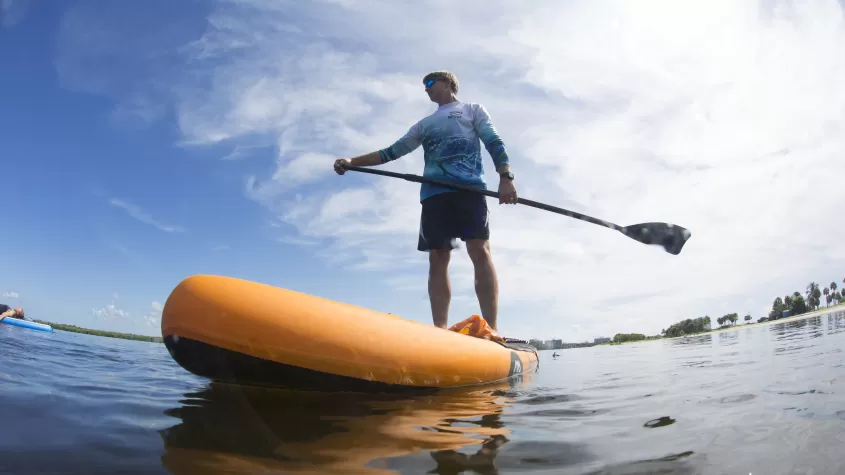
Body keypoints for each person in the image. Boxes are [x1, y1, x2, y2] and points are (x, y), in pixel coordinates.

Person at [333, 71, 517, 332]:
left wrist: (506, 177)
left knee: (479, 251)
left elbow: (493, 142)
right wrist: (353, 162)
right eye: (424, 86)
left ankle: (493, 329)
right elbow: (391, 152)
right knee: (438, 257)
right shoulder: (424, 125)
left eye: (430, 83)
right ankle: (439, 329)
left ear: (448, 84)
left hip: (470, 191)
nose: (426, 89)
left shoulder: (472, 110)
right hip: (434, 196)